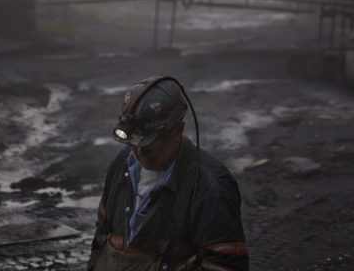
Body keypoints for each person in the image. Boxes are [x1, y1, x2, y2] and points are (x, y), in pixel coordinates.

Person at [88, 75, 249, 271]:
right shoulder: (122, 165)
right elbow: (102, 231)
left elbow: (225, 265)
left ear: (177, 131)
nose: (139, 152)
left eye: (148, 144)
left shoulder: (211, 187)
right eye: (134, 141)